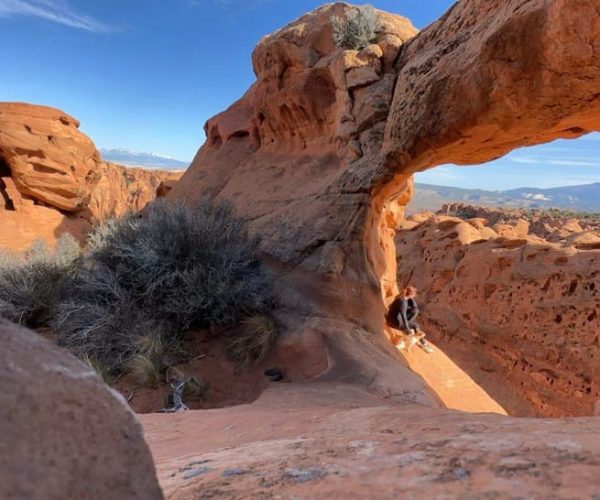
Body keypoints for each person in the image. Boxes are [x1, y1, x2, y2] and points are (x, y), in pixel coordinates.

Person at [389, 286, 433, 353]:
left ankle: (421, 341)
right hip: (394, 322)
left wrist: (411, 299)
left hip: (394, 318)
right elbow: (403, 316)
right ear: (412, 295)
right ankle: (423, 343)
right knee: (415, 325)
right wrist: (407, 329)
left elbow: (414, 307)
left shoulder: (403, 298)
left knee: (415, 311)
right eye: (414, 295)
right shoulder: (402, 302)